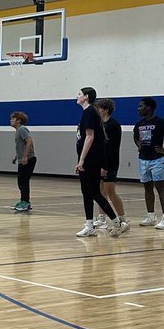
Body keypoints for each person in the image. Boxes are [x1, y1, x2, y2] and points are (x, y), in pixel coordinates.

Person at [74, 87, 122, 238]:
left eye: (80, 94)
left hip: (91, 160)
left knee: (94, 192)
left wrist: (81, 160)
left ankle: (117, 223)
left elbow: (90, 136)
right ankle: (89, 225)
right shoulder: (88, 112)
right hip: (88, 160)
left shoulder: (90, 112)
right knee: (86, 192)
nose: (77, 96)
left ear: (86, 97)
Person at [133, 97, 164, 229]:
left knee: (160, 187)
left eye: (141, 106)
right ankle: (151, 216)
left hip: (157, 159)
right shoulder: (139, 124)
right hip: (143, 159)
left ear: (148, 108)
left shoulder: (160, 121)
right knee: (147, 188)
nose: (138, 108)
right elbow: (135, 136)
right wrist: (139, 145)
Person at [95, 98, 128, 232]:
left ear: (106, 110)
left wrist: (105, 166)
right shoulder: (98, 124)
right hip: (99, 162)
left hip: (110, 163)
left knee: (110, 191)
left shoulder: (113, 125)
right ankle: (102, 219)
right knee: (101, 192)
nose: (97, 111)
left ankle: (123, 219)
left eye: (99, 108)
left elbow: (112, 148)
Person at [9, 111, 35, 212]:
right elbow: (22, 145)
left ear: (18, 120)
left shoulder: (22, 129)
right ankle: (24, 201)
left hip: (29, 159)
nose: (11, 120)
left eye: (13, 119)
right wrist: (16, 156)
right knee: (21, 181)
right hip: (23, 159)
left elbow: (29, 141)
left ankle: (25, 202)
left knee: (23, 182)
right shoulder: (18, 130)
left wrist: (25, 156)